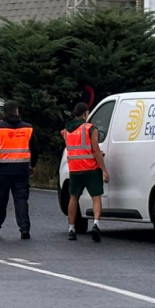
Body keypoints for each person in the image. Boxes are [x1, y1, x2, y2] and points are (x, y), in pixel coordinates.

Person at [0, 101, 38, 239]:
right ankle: (24, 229)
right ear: (17, 111)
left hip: (3, 170)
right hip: (22, 169)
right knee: (21, 200)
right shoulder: (28, 128)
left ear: (4, 113)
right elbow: (35, 149)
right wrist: (33, 165)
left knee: (0, 200)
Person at [64, 101, 109, 242]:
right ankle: (96, 224)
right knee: (96, 198)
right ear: (85, 113)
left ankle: (71, 229)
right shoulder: (91, 129)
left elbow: (73, 148)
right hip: (90, 168)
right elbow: (95, 150)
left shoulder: (66, 130)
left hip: (74, 169)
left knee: (73, 198)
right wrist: (104, 170)